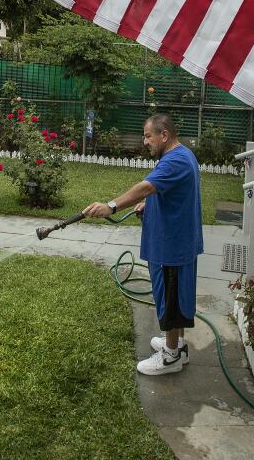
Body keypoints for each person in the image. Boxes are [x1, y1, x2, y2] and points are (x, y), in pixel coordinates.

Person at [83, 114, 202, 375]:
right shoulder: (183, 155)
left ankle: (170, 356)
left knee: (170, 299)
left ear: (164, 135)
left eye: (148, 136)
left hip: (172, 245)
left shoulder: (174, 161)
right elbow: (170, 190)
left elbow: (147, 186)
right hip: (176, 241)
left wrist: (111, 206)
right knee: (174, 297)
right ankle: (177, 344)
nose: (145, 141)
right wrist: (149, 205)